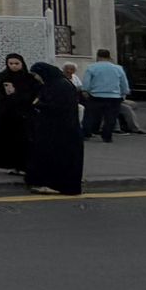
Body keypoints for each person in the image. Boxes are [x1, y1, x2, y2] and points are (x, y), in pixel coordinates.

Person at [27, 60, 85, 196]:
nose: (36, 78)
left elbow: (59, 107)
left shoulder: (60, 86)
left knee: (59, 158)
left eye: (37, 74)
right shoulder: (56, 84)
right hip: (59, 129)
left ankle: (57, 185)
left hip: (61, 131)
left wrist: (39, 105)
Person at [79, 48, 131, 143]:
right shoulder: (118, 68)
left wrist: (85, 91)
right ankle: (107, 136)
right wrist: (124, 92)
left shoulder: (92, 67)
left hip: (96, 95)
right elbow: (124, 82)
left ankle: (87, 134)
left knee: (90, 116)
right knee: (110, 117)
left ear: (98, 56)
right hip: (114, 96)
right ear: (109, 57)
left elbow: (86, 82)